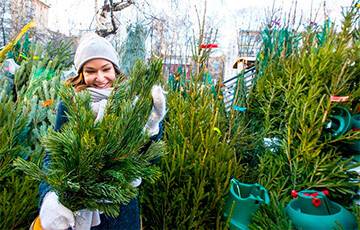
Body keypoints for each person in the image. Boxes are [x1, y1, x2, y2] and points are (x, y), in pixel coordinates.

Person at [38, 33, 166, 230]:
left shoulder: (131, 103)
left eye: (106, 69)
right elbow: (52, 157)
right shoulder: (71, 103)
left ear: (115, 68)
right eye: (91, 71)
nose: (100, 78)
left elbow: (150, 161)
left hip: (121, 213)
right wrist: (50, 196)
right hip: (78, 210)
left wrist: (151, 128)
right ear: (81, 73)